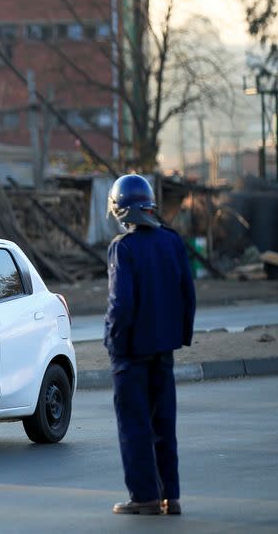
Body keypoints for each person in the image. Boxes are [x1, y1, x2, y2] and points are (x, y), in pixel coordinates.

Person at [104, 174, 196, 516]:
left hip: (131, 354)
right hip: (164, 350)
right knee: (163, 425)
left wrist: (113, 343)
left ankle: (144, 496)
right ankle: (171, 496)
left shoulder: (123, 248)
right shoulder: (172, 242)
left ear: (119, 209)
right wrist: (181, 336)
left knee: (134, 427)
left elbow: (121, 304)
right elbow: (189, 295)